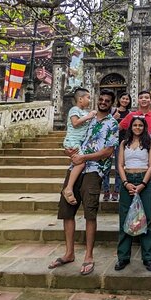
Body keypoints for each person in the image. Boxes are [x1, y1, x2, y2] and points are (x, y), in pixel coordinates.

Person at [49, 89, 118, 275]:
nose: (103, 102)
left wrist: (84, 157)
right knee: (67, 210)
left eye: (107, 100)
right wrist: (69, 152)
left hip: (94, 170)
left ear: (112, 103)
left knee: (90, 212)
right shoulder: (87, 118)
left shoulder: (112, 124)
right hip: (75, 167)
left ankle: (88, 255)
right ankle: (69, 253)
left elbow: (108, 151)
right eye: (101, 99)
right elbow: (74, 136)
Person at [115, 116, 151, 271]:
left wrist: (143, 184)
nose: (137, 127)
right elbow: (120, 164)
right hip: (127, 181)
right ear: (130, 127)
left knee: (146, 217)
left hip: (144, 181)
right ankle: (123, 257)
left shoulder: (149, 143)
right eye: (135, 125)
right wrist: (125, 183)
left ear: (144, 127)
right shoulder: (124, 143)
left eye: (140, 125)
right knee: (125, 218)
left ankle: (148, 257)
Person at [61, 88, 97, 205]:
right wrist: (89, 116)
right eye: (88, 97)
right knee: (80, 162)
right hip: (72, 141)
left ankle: (69, 188)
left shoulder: (85, 113)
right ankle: (68, 188)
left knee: (79, 163)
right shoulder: (74, 110)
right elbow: (75, 123)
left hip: (79, 143)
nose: (89, 100)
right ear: (80, 99)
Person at [103, 92, 132, 201]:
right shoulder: (112, 111)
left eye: (127, 99)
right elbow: (104, 125)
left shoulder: (130, 114)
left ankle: (116, 191)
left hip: (122, 143)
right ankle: (106, 191)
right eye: (123, 98)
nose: (125, 100)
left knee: (119, 169)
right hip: (109, 142)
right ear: (119, 100)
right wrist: (113, 118)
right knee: (106, 168)